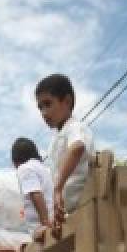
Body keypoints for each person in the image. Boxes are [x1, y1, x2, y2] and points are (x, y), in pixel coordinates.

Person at [35, 73, 94, 226]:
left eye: (48, 104)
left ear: (67, 101)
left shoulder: (75, 127)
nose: (44, 113)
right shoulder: (56, 138)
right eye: (40, 107)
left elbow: (77, 147)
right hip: (68, 214)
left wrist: (58, 188)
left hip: (85, 209)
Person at [11, 137, 53, 241]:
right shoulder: (44, 169)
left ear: (16, 160)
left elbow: (36, 193)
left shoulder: (24, 169)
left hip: (42, 228)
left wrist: (45, 224)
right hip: (53, 219)